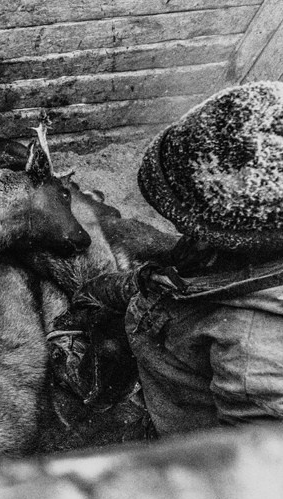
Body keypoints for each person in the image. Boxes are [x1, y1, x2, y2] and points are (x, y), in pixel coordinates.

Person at [58, 82, 283, 435]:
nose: (174, 221)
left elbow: (249, 469)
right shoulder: (244, 241)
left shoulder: (253, 357)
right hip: (172, 365)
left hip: (187, 435)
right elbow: (183, 275)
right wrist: (119, 287)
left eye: (181, 215)